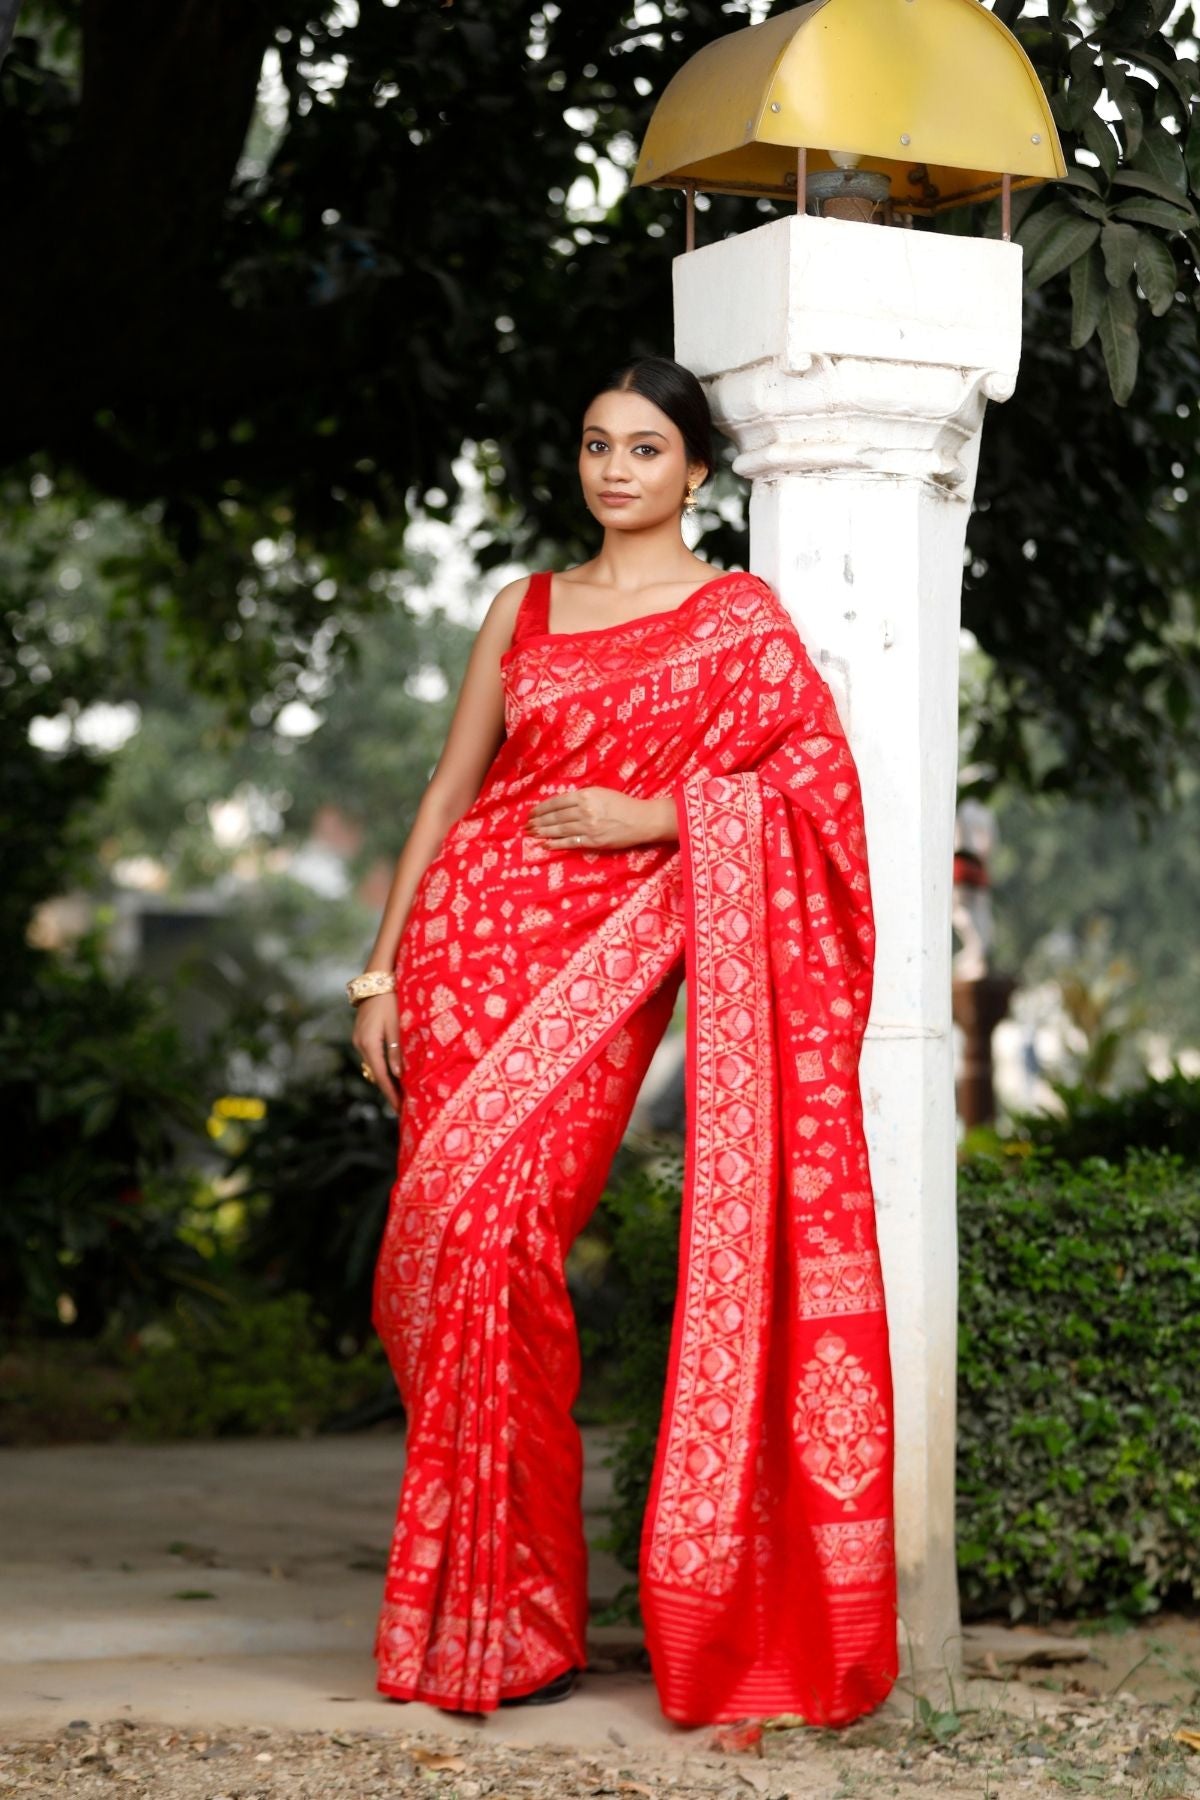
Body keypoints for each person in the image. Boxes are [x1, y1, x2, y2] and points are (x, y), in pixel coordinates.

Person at [348, 356, 898, 1727]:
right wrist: (380, 969)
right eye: (598, 445)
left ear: (696, 470)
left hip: (607, 965)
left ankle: (521, 1612)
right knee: (445, 1257)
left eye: (645, 449)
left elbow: (812, 783)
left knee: (506, 1241)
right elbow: (450, 788)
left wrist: (657, 819)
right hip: (466, 947)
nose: (614, 470)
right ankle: (468, 1622)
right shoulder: (522, 606)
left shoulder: (737, 621)